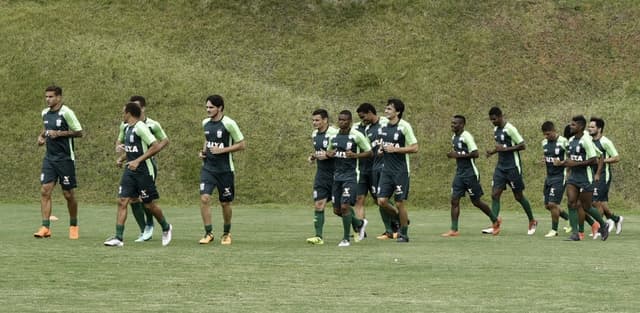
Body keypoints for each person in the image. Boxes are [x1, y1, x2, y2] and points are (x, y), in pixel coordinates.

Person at [104, 102, 173, 247]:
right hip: (130, 171)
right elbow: (134, 148)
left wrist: (138, 161)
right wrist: (122, 157)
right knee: (123, 200)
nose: (122, 115)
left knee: (149, 205)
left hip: (144, 171)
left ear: (129, 113)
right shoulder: (127, 128)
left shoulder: (141, 127)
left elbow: (154, 146)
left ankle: (166, 227)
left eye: (123, 112)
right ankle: (118, 237)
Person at [34, 85, 84, 239]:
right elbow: (46, 129)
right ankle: (45, 227)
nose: (47, 99)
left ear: (58, 97)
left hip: (65, 159)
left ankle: (74, 225)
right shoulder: (45, 113)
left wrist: (60, 133)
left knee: (68, 194)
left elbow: (79, 132)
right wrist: (42, 136)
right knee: (45, 190)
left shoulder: (66, 113)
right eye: (46, 96)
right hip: (50, 159)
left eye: (51, 96)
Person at [198, 95, 246, 245]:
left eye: (211, 107)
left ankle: (226, 233)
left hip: (225, 170)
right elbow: (207, 139)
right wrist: (203, 152)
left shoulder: (229, 123)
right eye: (207, 107)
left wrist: (223, 150)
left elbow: (242, 144)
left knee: (225, 203)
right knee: (204, 198)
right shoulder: (205, 123)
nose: (208, 110)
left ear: (220, 108)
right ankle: (208, 233)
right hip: (208, 169)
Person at [443, 115, 501, 237]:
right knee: (454, 200)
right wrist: (454, 155)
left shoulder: (467, 136)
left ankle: (495, 220)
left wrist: (457, 156)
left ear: (462, 125)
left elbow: (475, 153)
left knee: (476, 202)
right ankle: (454, 229)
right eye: (452, 123)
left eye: (455, 123)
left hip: (470, 174)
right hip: (460, 174)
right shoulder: (454, 137)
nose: (453, 125)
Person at [553, 115, 608, 241]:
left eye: (573, 125)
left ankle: (603, 225)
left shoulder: (586, 140)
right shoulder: (571, 140)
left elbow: (595, 159)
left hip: (585, 178)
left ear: (581, 127)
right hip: (573, 177)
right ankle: (575, 234)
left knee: (587, 206)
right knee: (571, 203)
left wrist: (597, 173)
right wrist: (561, 163)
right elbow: (571, 159)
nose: (570, 126)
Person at [484, 106, 537, 235]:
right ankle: (495, 224)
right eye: (491, 120)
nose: (493, 122)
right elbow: (501, 146)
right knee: (495, 194)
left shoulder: (510, 129)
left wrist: (505, 150)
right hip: (500, 167)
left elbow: (522, 145)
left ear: (501, 116)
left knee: (518, 196)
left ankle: (532, 220)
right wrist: (492, 152)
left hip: (513, 167)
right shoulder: (496, 129)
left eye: (495, 119)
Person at [326, 110, 372, 247]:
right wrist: (330, 153)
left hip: (351, 175)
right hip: (337, 176)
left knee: (345, 206)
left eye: (345, 120)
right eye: (340, 119)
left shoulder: (356, 136)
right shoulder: (333, 136)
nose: (342, 122)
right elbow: (328, 152)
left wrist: (355, 156)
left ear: (350, 121)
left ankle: (346, 239)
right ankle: (359, 223)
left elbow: (369, 152)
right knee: (337, 210)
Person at [355, 103, 399, 240]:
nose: (363, 120)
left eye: (364, 117)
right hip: (374, 167)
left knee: (382, 199)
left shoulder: (387, 122)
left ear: (370, 112)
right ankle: (389, 230)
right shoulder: (367, 129)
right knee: (379, 199)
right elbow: (368, 149)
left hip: (387, 167)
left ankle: (399, 221)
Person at [377, 99, 418, 243]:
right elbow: (383, 144)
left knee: (400, 202)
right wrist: (382, 150)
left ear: (398, 112)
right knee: (381, 201)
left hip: (400, 170)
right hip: (386, 170)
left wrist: (397, 149)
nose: (386, 111)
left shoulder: (404, 126)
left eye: (389, 109)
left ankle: (404, 234)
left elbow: (414, 147)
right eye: (386, 108)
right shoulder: (383, 126)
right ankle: (402, 219)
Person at [306, 109, 338, 245]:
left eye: (317, 120)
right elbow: (320, 151)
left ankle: (358, 224)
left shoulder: (334, 133)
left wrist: (328, 155)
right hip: (321, 175)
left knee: (340, 209)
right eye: (313, 120)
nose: (315, 123)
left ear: (325, 120)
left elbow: (340, 149)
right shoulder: (314, 134)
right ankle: (318, 236)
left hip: (336, 174)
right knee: (319, 205)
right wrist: (313, 156)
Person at [588, 117, 623, 235]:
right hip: (590, 175)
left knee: (596, 201)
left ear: (599, 129)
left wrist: (602, 161)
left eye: (592, 127)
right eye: (589, 126)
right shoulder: (588, 140)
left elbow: (616, 158)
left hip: (603, 175)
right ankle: (615, 219)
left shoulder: (605, 142)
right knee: (599, 202)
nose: (589, 129)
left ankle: (600, 228)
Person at [540, 121, 571, 237]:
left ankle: (554, 230)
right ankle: (569, 220)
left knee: (553, 203)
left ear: (554, 131)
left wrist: (562, 163)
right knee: (547, 205)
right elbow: (548, 155)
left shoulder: (564, 142)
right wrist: (545, 159)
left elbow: (572, 158)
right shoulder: (544, 143)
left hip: (559, 177)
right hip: (549, 177)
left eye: (548, 134)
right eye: (545, 134)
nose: (546, 137)